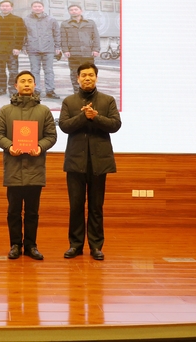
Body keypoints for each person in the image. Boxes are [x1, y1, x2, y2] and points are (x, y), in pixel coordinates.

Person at [58, 63, 121, 261]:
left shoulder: (107, 100)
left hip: (99, 162)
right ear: (77, 78)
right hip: (75, 162)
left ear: (96, 77)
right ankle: (75, 245)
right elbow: (64, 126)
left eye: (91, 75)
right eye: (84, 75)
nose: (87, 78)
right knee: (76, 206)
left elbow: (115, 125)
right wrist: (83, 116)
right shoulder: (69, 101)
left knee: (96, 206)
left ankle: (96, 246)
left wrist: (96, 117)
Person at [0, 71, 57, 260]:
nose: (26, 84)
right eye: (23, 81)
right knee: (13, 211)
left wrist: (40, 146)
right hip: (13, 167)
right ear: (16, 86)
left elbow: (51, 136)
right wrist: (9, 146)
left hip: (35, 167)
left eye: (30, 81)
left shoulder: (44, 111)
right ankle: (15, 245)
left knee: (32, 212)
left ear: (35, 85)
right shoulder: (6, 111)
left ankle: (31, 245)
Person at [23, 1, 62, 100]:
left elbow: (57, 34)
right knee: (34, 70)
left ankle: (50, 90)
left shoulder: (51, 20)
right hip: (32, 48)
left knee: (49, 70)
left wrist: (57, 47)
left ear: (43, 8)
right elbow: (23, 34)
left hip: (48, 48)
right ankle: (36, 90)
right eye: (35, 6)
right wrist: (23, 46)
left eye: (39, 6)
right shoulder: (26, 20)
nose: (37, 8)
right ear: (32, 8)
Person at [60, 4, 101, 93]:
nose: (74, 11)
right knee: (75, 74)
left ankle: (90, 92)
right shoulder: (65, 24)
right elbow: (63, 38)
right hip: (73, 54)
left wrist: (96, 49)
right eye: (71, 10)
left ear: (81, 11)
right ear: (69, 12)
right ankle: (77, 93)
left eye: (76, 9)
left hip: (88, 53)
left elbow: (96, 37)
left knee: (89, 73)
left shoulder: (90, 23)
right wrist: (65, 50)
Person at [0, 0, 27, 96]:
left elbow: (21, 34)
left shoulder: (17, 19)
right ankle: (1, 89)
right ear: (0, 7)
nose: (5, 8)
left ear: (11, 8)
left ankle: (13, 89)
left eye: (7, 6)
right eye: (3, 6)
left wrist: (17, 47)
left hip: (12, 49)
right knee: (0, 70)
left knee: (13, 71)